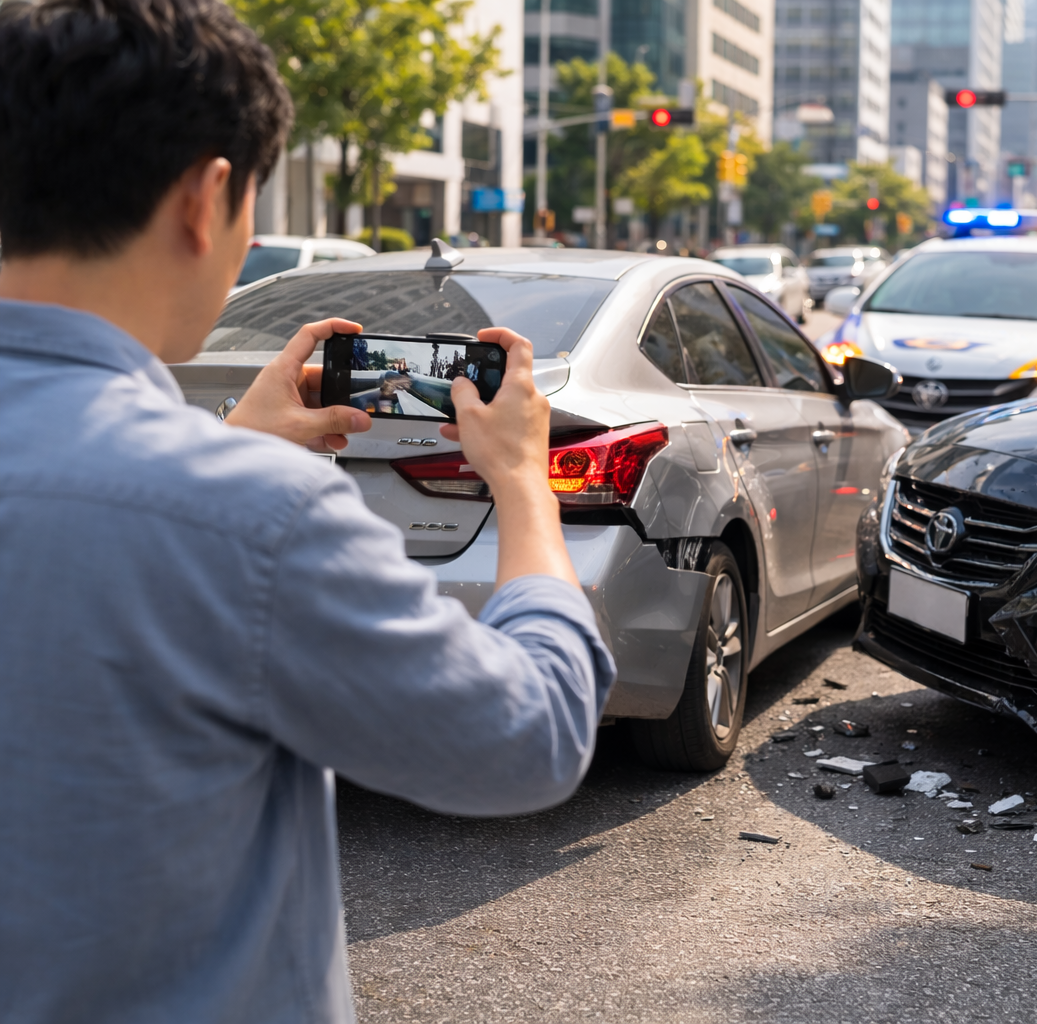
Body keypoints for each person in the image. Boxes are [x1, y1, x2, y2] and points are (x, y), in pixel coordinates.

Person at [0, 0, 615, 1021]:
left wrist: (229, 446)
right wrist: (519, 482)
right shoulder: (252, 518)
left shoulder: (226, 497)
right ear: (209, 199)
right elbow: (531, 736)